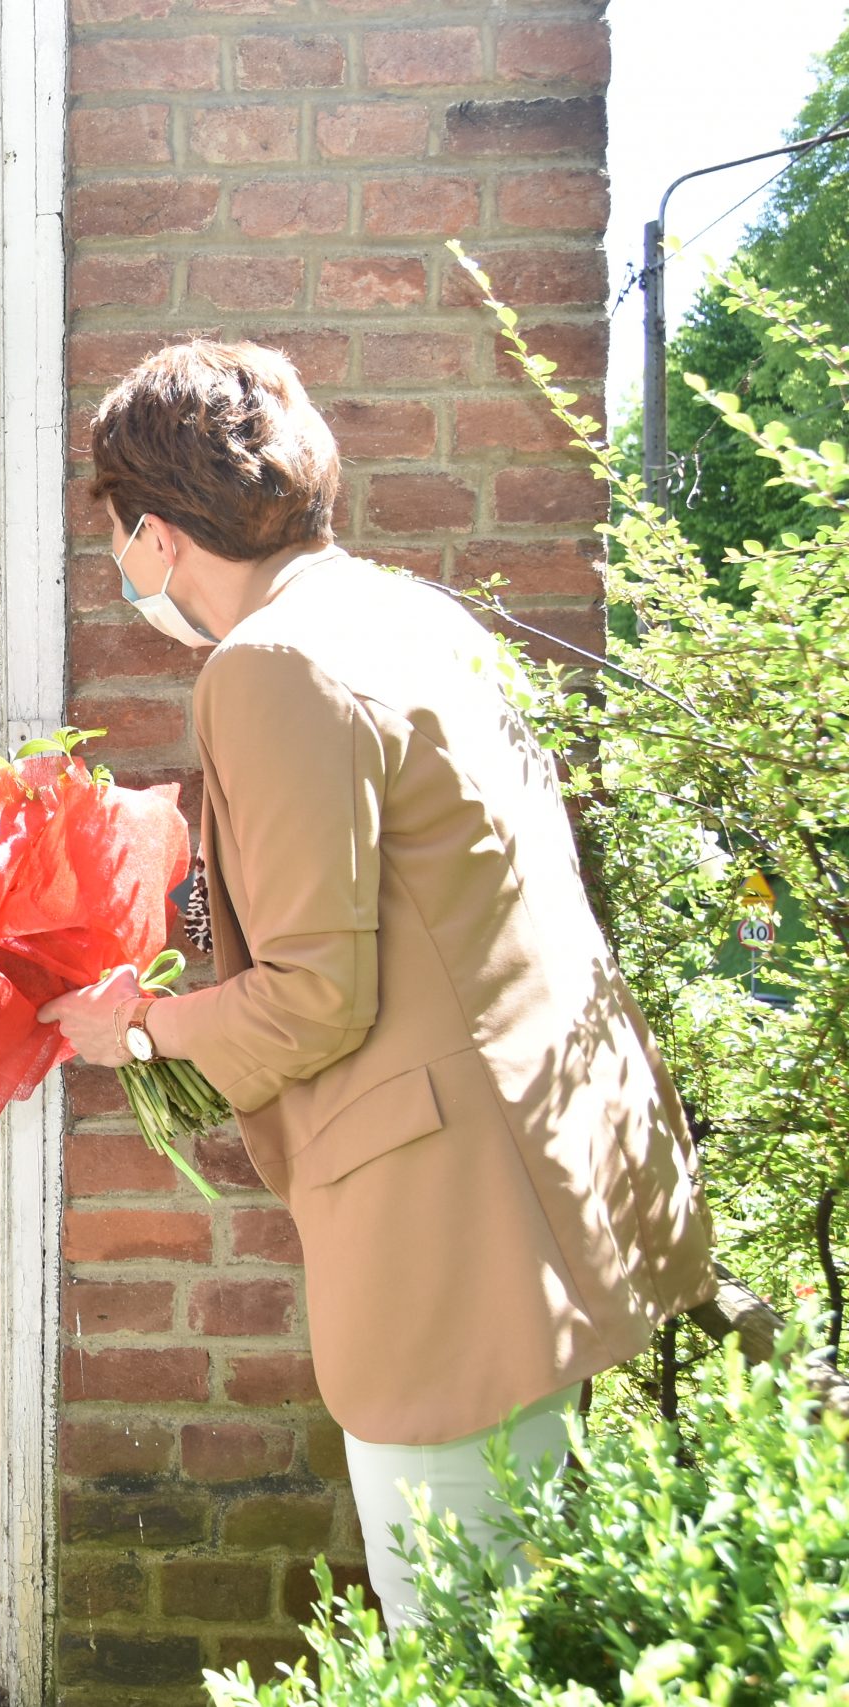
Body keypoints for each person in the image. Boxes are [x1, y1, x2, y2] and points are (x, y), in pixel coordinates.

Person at [36, 340, 715, 1626]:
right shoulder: (409, 611)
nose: (121, 565)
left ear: (157, 534)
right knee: (535, 1609)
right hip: (565, 1159)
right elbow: (423, 894)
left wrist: (137, 1031)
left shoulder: (265, 665)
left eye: (115, 536)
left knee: (456, 1636)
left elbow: (313, 996)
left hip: (453, 1223)